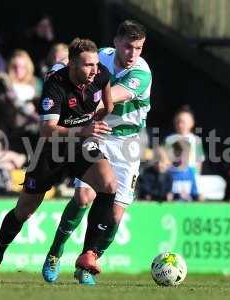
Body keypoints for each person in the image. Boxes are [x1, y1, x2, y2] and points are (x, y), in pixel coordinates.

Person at [0, 38, 116, 283]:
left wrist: (99, 117)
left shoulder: (100, 74)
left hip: (80, 145)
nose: (94, 70)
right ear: (72, 64)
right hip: (51, 149)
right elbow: (46, 130)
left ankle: (88, 255)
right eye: (87, 65)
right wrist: (83, 130)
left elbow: (108, 102)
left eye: (95, 64)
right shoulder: (55, 84)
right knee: (25, 211)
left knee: (109, 186)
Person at [42, 20, 151, 285]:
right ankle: (55, 252)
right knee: (83, 195)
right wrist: (56, 75)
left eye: (138, 48)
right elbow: (66, 66)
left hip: (126, 141)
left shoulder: (141, 72)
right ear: (116, 43)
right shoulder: (99, 57)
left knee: (114, 214)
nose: (133, 54)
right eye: (128, 47)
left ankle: (88, 261)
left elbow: (105, 98)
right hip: (96, 133)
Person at [164, 105, 205, 175]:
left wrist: (196, 176)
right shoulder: (169, 140)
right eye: (178, 122)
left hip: (190, 175)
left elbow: (199, 161)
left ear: (191, 123)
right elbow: (165, 159)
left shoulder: (196, 140)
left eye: (183, 122)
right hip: (173, 175)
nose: (180, 125)